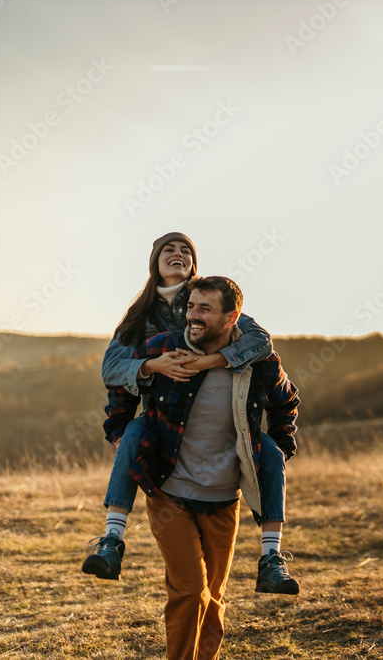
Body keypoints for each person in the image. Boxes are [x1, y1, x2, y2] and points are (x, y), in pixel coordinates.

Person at [82, 233, 293, 592]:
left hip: (218, 430)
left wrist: (212, 360)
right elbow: (112, 371)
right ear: (155, 261)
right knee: (133, 434)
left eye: (186, 251)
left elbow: (260, 341)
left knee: (268, 454)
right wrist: (153, 366)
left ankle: (271, 557)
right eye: (169, 249)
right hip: (167, 427)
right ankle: (112, 539)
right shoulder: (140, 318)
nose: (178, 254)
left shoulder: (210, 297)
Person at [103, 275, 300, 659]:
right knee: (189, 592)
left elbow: (286, 401)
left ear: (233, 317)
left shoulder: (258, 363)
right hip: (169, 493)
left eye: (204, 309)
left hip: (225, 499)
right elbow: (120, 391)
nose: (192, 316)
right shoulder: (163, 350)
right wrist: (122, 436)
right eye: (191, 306)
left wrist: (278, 448)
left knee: (213, 599)